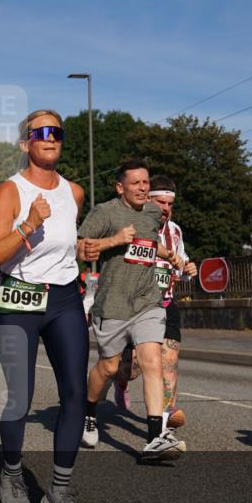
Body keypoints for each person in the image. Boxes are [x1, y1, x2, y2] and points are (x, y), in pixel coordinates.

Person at [0, 109, 90, 503]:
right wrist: (29, 224)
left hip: (63, 299)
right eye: (41, 132)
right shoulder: (12, 190)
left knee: (75, 393)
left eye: (57, 132)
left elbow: (65, 247)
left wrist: (88, 248)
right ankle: (10, 476)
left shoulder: (74, 193)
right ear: (25, 143)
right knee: (21, 396)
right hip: (17, 300)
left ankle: (59, 492)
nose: (51, 138)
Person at [77, 160, 186, 461]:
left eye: (146, 183)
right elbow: (81, 249)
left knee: (152, 361)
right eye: (136, 183)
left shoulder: (153, 212)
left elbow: (147, 244)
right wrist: (114, 239)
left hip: (147, 301)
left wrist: (170, 255)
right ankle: (89, 411)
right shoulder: (105, 212)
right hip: (113, 304)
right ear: (120, 187)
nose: (142, 188)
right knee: (109, 368)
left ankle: (154, 438)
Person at [148, 175, 198, 428]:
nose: (166, 209)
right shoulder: (134, 226)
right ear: (147, 200)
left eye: (169, 204)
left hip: (166, 305)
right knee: (128, 369)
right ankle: (120, 383)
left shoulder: (175, 231)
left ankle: (165, 417)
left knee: (169, 363)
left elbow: (179, 264)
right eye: (160, 202)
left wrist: (187, 269)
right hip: (136, 308)